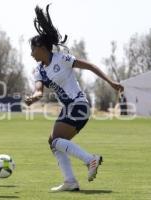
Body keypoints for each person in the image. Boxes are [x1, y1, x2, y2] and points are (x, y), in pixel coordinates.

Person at [25, 5, 124, 192]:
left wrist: (111, 82)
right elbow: (39, 91)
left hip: (78, 105)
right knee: (53, 142)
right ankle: (70, 181)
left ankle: (90, 160)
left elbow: (90, 66)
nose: (31, 54)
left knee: (56, 141)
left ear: (41, 47)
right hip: (70, 108)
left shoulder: (61, 58)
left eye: (32, 49)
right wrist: (33, 98)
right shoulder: (39, 70)